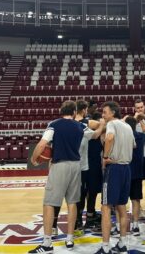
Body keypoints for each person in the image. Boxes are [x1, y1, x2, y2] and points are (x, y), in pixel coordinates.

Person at [29, 100, 85, 253]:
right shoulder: (80, 126)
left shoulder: (54, 124)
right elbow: (93, 128)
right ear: (74, 112)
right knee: (72, 202)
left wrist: (33, 159)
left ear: (61, 110)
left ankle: (47, 244)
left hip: (60, 165)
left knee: (49, 203)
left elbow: (42, 144)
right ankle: (70, 238)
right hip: (76, 165)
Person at [51, 100, 105, 236]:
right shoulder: (83, 124)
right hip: (78, 166)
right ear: (80, 111)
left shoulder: (56, 125)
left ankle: (55, 226)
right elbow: (97, 132)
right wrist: (104, 123)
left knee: (58, 197)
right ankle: (76, 225)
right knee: (75, 198)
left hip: (63, 164)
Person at [95, 101, 135, 254]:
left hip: (114, 169)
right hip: (126, 169)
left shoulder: (112, 124)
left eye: (104, 112)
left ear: (112, 113)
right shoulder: (127, 126)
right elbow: (133, 146)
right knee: (122, 207)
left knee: (105, 207)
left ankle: (105, 247)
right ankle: (123, 243)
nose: (103, 115)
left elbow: (110, 138)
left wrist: (105, 157)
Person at [125, 116, 145, 236]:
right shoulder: (140, 136)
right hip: (138, 172)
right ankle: (135, 226)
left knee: (121, 201)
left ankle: (120, 227)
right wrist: (142, 124)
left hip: (125, 171)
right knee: (136, 200)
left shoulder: (123, 136)